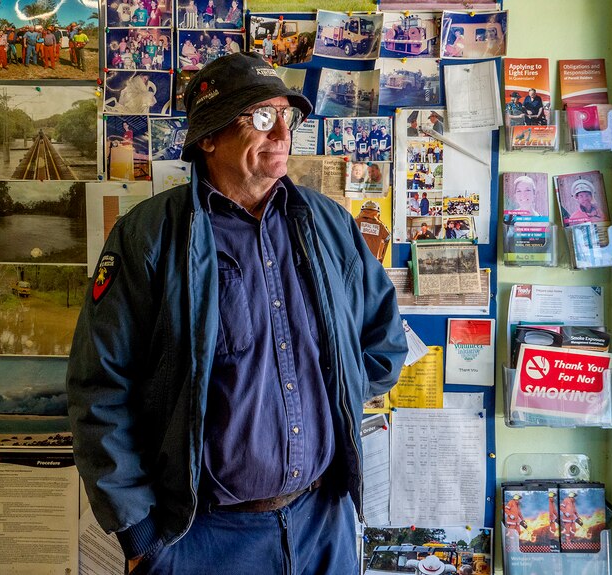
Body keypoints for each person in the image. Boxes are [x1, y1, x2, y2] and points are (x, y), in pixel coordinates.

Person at [68, 51, 407, 575]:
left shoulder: (331, 226)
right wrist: (139, 537)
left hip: (323, 523)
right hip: (201, 538)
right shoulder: (148, 237)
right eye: (262, 119)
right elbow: (100, 388)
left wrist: (333, 387)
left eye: (286, 117)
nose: (281, 135)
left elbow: (384, 340)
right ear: (209, 137)